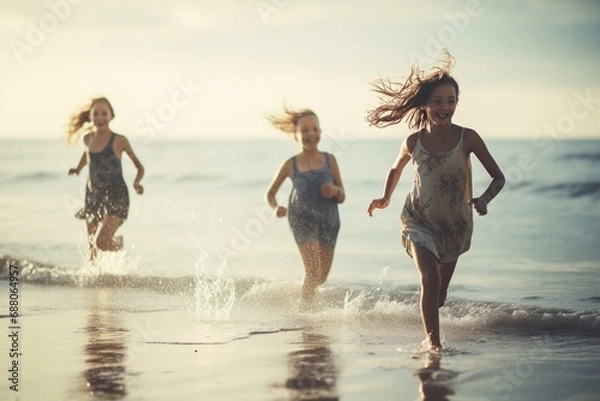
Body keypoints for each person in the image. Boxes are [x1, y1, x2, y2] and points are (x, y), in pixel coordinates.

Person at [366, 54, 505, 350]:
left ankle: (429, 322)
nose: (445, 107)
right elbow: (396, 168)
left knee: (439, 294)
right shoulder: (413, 142)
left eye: (451, 100)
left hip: (455, 225)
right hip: (419, 219)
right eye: (438, 101)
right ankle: (434, 348)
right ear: (425, 105)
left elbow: (498, 177)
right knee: (429, 279)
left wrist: (484, 199)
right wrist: (386, 197)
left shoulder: (468, 138)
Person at [265, 106, 345, 308]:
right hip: (302, 218)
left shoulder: (330, 160)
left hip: (329, 220)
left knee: (321, 277)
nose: (310, 134)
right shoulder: (290, 164)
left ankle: (305, 301)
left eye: (314, 129)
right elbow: (270, 193)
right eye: (304, 130)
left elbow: (342, 196)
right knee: (311, 272)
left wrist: (335, 190)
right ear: (296, 135)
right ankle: (306, 314)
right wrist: (276, 208)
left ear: (319, 132)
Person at [67, 97, 144, 261]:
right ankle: (93, 281)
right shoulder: (87, 139)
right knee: (91, 247)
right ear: (91, 116)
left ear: (111, 116)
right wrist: (78, 168)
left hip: (116, 196)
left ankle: (118, 243)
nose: (100, 117)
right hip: (93, 194)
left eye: (104, 113)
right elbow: (87, 155)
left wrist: (137, 183)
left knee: (102, 242)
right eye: (96, 114)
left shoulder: (119, 141)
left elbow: (139, 166)